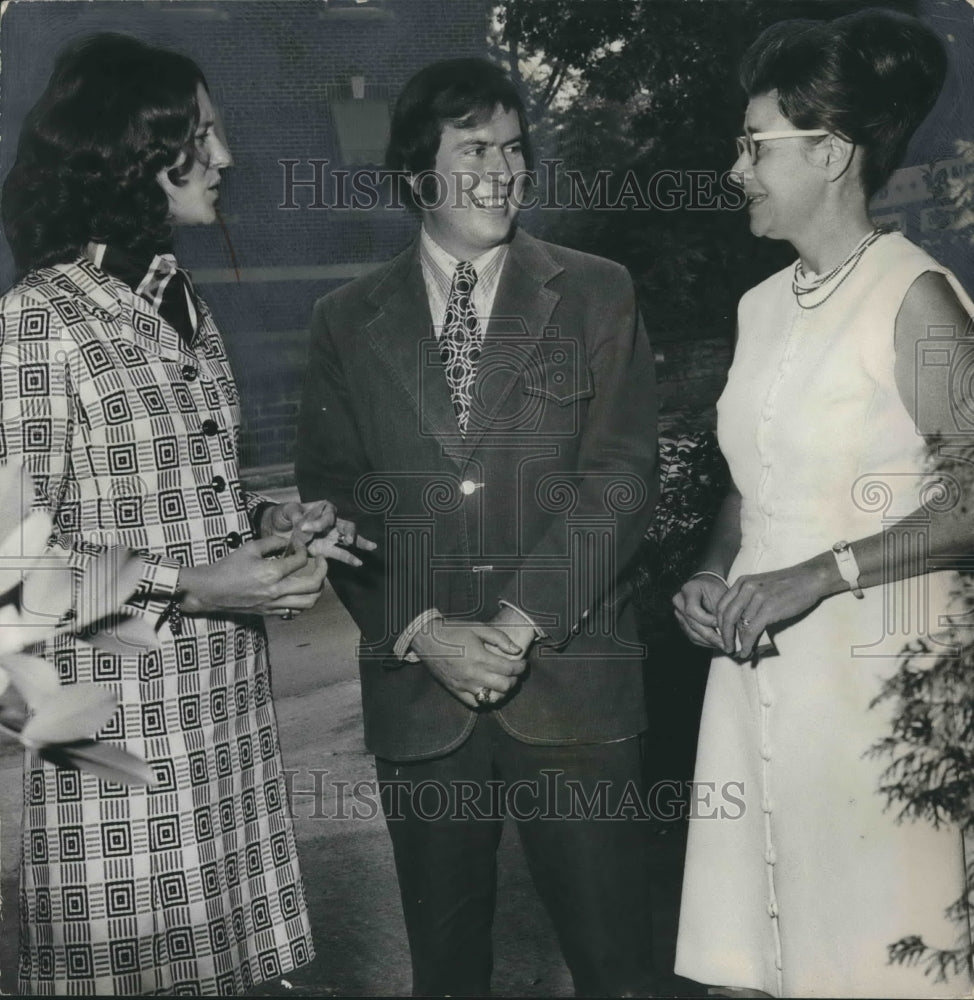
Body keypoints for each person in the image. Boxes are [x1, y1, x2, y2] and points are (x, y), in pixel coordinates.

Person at [0, 33, 370, 995]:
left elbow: (165, 499)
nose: (227, 158)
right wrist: (201, 586)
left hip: (224, 729)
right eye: (200, 136)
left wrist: (270, 525)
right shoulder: (41, 320)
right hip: (111, 741)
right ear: (131, 154)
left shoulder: (180, 303)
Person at [296, 57, 660, 997]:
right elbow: (334, 501)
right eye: (473, 149)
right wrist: (425, 632)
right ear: (419, 172)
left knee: (617, 968)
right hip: (421, 706)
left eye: (513, 148)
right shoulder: (345, 320)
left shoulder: (596, 292)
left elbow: (618, 479)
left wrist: (515, 625)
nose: (503, 170)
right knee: (447, 973)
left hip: (575, 689)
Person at [672, 9, 974, 998]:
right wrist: (713, 572)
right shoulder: (759, 306)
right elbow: (749, 485)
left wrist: (821, 570)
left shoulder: (915, 297)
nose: (736, 169)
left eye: (755, 145)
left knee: (872, 954)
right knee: (755, 955)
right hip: (754, 666)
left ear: (832, 152)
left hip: (875, 676)